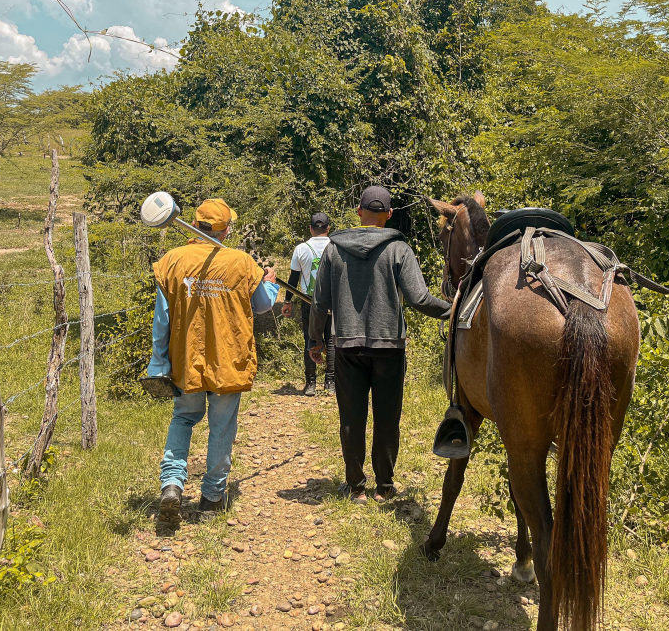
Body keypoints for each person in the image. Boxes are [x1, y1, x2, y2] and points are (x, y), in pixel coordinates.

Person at [309, 187, 452, 503]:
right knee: (387, 417)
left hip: (347, 346)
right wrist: (453, 310)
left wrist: (315, 341)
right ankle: (384, 487)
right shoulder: (399, 249)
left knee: (351, 417)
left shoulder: (333, 250)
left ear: (359, 211)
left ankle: (356, 486)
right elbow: (419, 299)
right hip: (389, 347)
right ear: (388, 215)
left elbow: (319, 303)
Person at [148, 198, 280, 520]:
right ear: (226, 228)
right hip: (228, 359)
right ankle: (211, 498)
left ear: (195, 223)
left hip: (186, 360)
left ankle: (172, 484)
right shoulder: (241, 262)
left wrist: (159, 363)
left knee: (183, 419)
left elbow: (162, 320)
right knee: (222, 426)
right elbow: (262, 305)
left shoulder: (172, 261)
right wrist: (270, 284)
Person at [281, 212, 335, 396]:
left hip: (308, 301)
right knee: (331, 340)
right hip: (332, 301)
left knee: (310, 339)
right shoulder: (336, 246)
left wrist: (287, 301)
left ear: (311, 228)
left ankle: (310, 384)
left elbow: (293, 279)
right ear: (328, 228)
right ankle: (330, 383)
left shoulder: (301, 249)